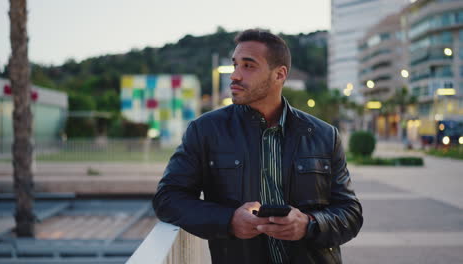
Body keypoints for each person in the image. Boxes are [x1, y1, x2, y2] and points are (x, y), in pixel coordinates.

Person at [153, 29, 363, 264]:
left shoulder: (324, 135)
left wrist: (308, 224)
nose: (235, 75)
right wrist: (229, 220)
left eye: (248, 66)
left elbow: (350, 213)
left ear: (279, 75)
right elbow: (168, 198)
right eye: (235, 65)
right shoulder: (205, 131)